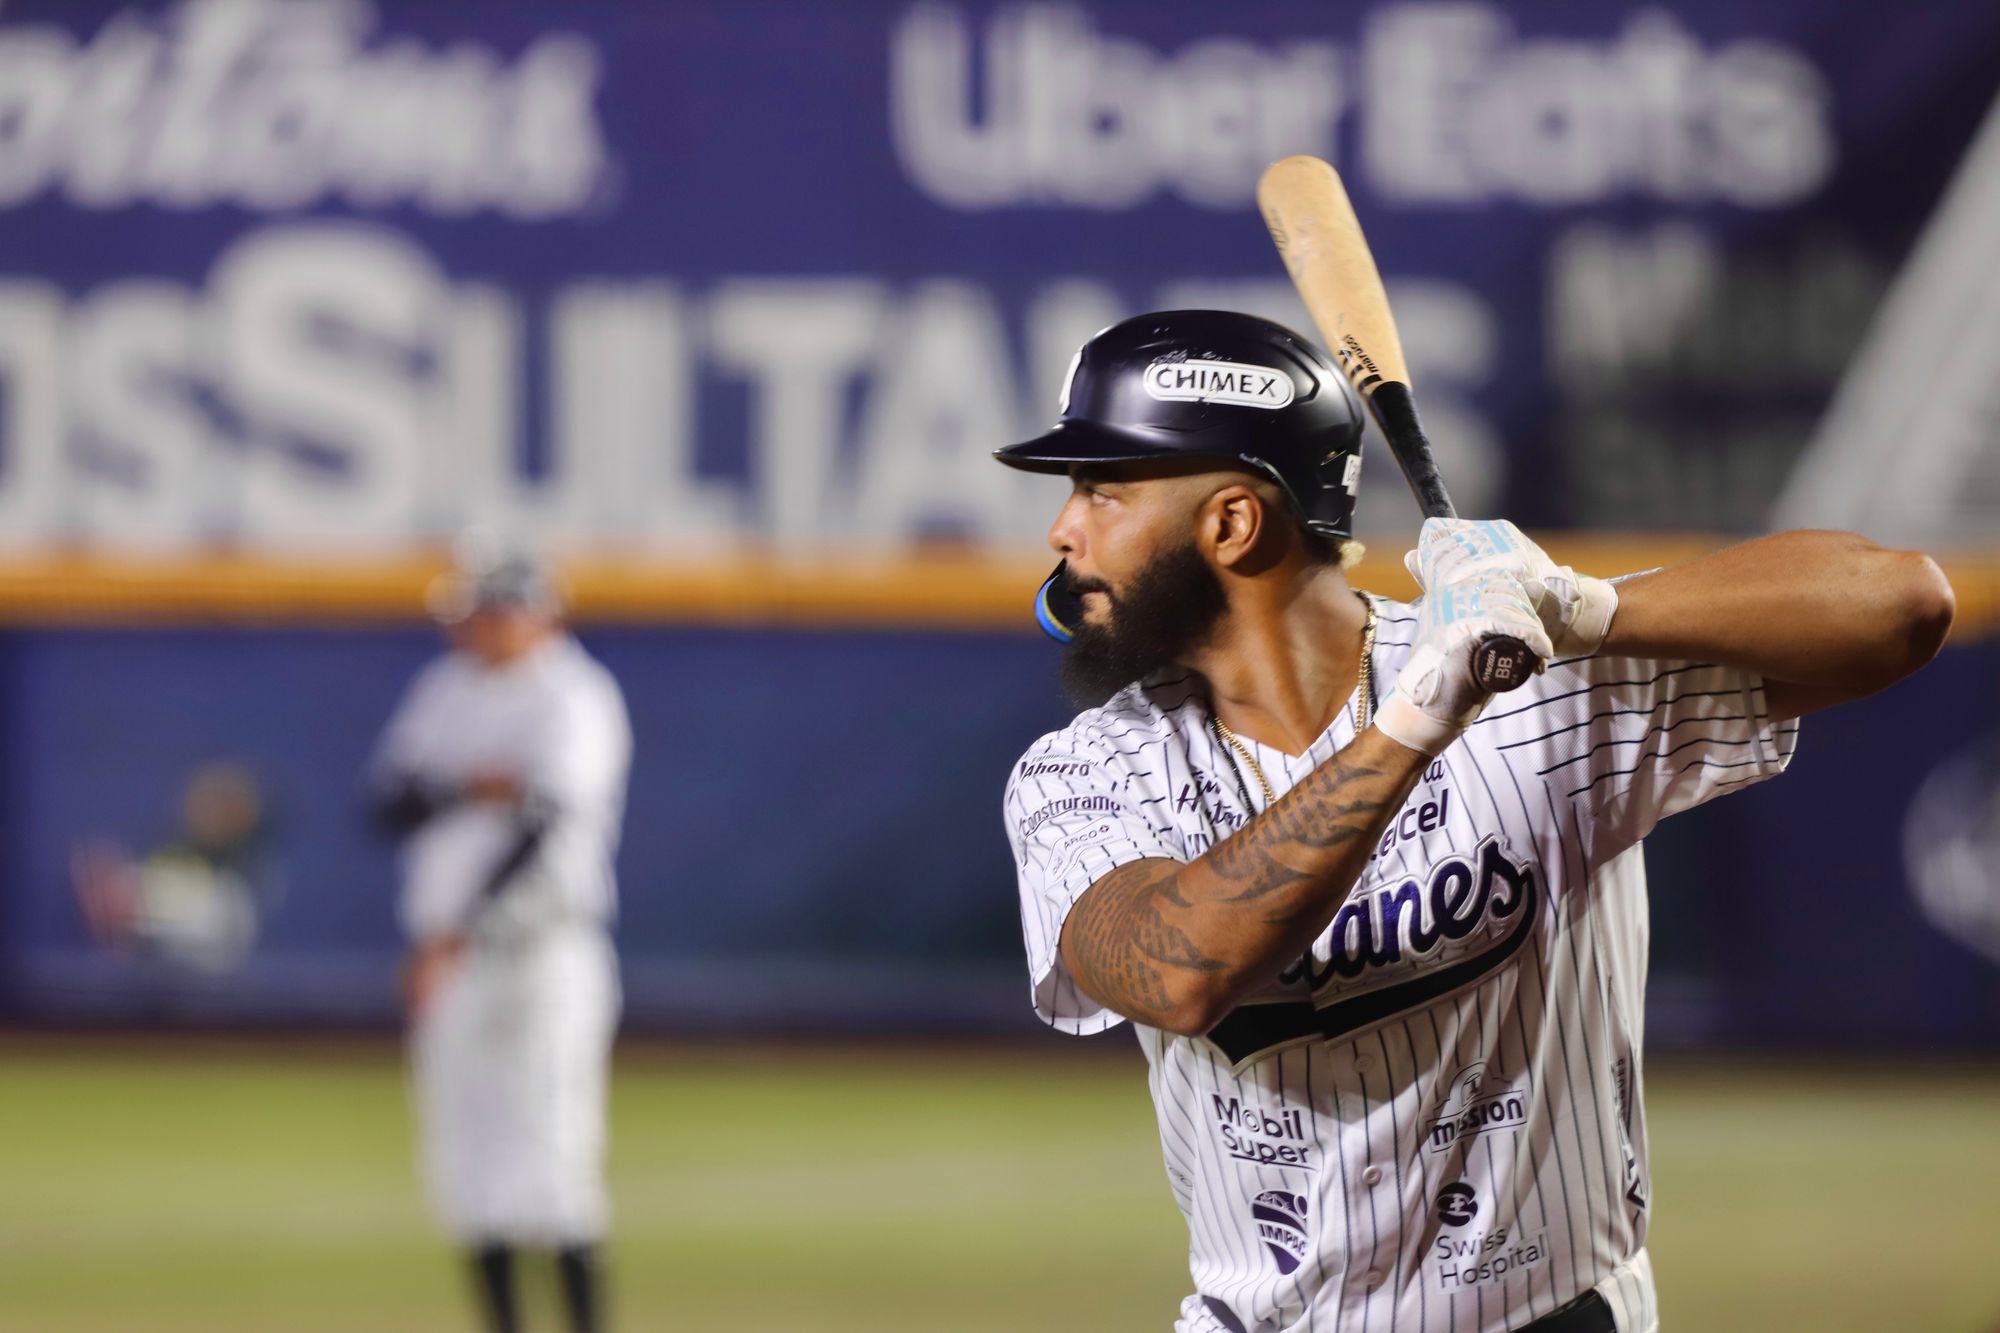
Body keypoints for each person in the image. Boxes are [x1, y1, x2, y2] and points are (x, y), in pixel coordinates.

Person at [996, 310, 1955, 1333]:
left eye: (1102, 490)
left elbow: (1902, 605)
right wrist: (1416, 718)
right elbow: (1174, 970)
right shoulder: (1084, 772)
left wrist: (1582, 608)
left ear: (1230, 524)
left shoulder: (1527, 669)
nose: (1064, 530)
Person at [370, 553, 631, 1333]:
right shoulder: (443, 688)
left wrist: (460, 929)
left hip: (545, 951)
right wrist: (476, 784)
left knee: (555, 1163)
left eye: (489, 611)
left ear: (535, 612)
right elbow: (384, 803)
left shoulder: (574, 693)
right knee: (466, 1168)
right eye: (468, 613)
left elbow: (545, 825)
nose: (473, 626)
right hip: (447, 959)